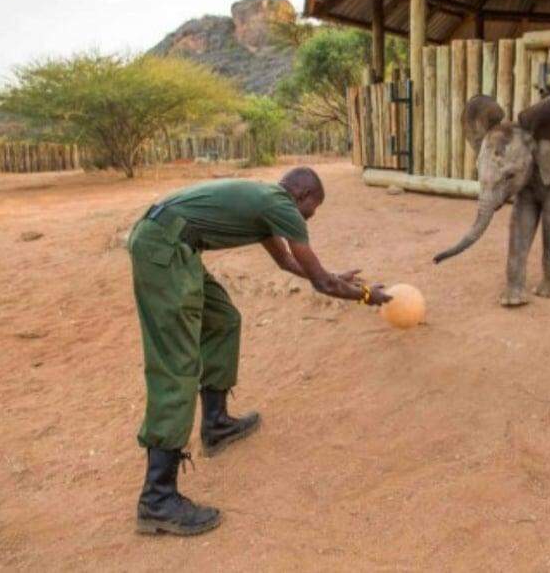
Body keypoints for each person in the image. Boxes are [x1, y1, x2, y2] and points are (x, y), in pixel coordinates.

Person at [127, 166, 390, 536]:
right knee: (177, 363)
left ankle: (216, 424)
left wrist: (331, 275)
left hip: (171, 243)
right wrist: (366, 295)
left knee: (223, 320)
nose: (310, 218)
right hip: (164, 249)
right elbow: (320, 283)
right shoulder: (281, 205)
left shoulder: (265, 203)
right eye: (313, 209)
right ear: (302, 195)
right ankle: (157, 499)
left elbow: (287, 262)